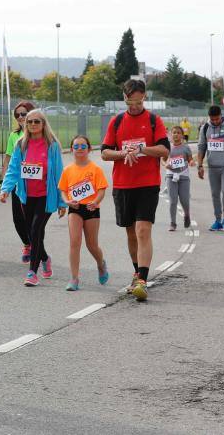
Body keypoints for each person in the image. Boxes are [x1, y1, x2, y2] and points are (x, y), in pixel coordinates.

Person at [101, 79, 170, 301]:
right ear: (124, 98)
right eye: (131, 102)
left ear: (144, 98)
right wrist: (123, 153)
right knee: (130, 233)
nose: (135, 106)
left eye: (139, 102)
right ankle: (136, 272)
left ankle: (142, 279)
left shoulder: (153, 120)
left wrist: (142, 149)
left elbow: (163, 149)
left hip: (148, 183)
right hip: (123, 184)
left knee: (142, 230)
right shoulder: (117, 121)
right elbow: (104, 152)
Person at [0, 109, 67, 286]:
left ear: (43, 124)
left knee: (36, 230)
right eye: (29, 122)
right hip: (27, 196)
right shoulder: (21, 144)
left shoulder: (51, 145)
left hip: (46, 195)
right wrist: (5, 189)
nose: (33, 125)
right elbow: (14, 169)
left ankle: (32, 272)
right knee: (32, 233)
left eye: (37, 121)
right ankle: (44, 257)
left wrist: (61, 201)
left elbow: (59, 174)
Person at [57, 135, 109, 291]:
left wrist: (96, 201)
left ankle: (101, 264)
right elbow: (63, 190)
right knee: (74, 242)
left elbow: (101, 189)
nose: (79, 149)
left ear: (89, 149)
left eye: (83, 146)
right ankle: (74, 278)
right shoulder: (68, 170)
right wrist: (66, 201)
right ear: (71, 149)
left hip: (91, 208)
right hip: (75, 208)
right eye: (76, 147)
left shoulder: (95, 169)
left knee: (92, 244)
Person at [4, 100, 36, 263]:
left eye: (24, 114)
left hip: (35, 185)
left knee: (32, 218)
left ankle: (36, 246)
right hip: (18, 184)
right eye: (18, 115)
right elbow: (9, 159)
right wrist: (5, 184)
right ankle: (27, 244)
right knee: (18, 218)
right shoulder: (14, 136)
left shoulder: (39, 135)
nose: (21, 117)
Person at [164, 126, 193, 231]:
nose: (176, 134)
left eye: (178, 133)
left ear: (182, 135)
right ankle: (173, 223)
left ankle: (187, 215)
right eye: (174, 132)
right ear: (170, 134)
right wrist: (166, 164)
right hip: (170, 176)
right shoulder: (167, 147)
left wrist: (191, 162)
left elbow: (190, 159)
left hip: (184, 176)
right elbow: (163, 160)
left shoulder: (186, 148)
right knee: (173, 201)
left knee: (185, 200)